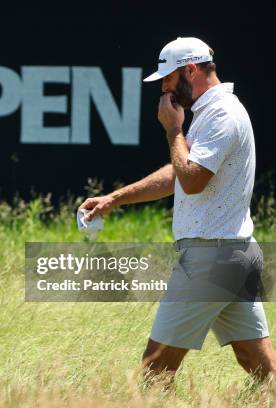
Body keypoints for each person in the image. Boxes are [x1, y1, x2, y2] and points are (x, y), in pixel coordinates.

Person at [79, 37, 275, 386]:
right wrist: (115, 198)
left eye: (168, 78)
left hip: (211, 259)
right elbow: (178, 173)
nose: (165, 88)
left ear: (190, 70)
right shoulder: (210, 112)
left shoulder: (222, 114)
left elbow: (192, 179)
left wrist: (173, 130)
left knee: (153, 374)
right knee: (262, 370)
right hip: (231, 254)